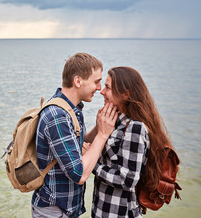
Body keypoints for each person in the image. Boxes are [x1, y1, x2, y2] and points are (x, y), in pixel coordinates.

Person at [31, 53, 118, 218]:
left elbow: (75, 143)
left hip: (62, 209)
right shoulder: (57, 116)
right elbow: (79, 174)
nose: (99, 88)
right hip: (54, 211)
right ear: (78, 81)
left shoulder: (70, 108)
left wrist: (100, 126)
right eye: (96, 81)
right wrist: (102, 135)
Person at [91, 66, 173, 217]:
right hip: (102, 211)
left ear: (125, 94)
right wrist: (99, 126)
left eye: (108, 87)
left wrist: (92, 165)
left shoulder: (135, 128)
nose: (102, 91)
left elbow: (128, 179)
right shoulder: (114, 120)